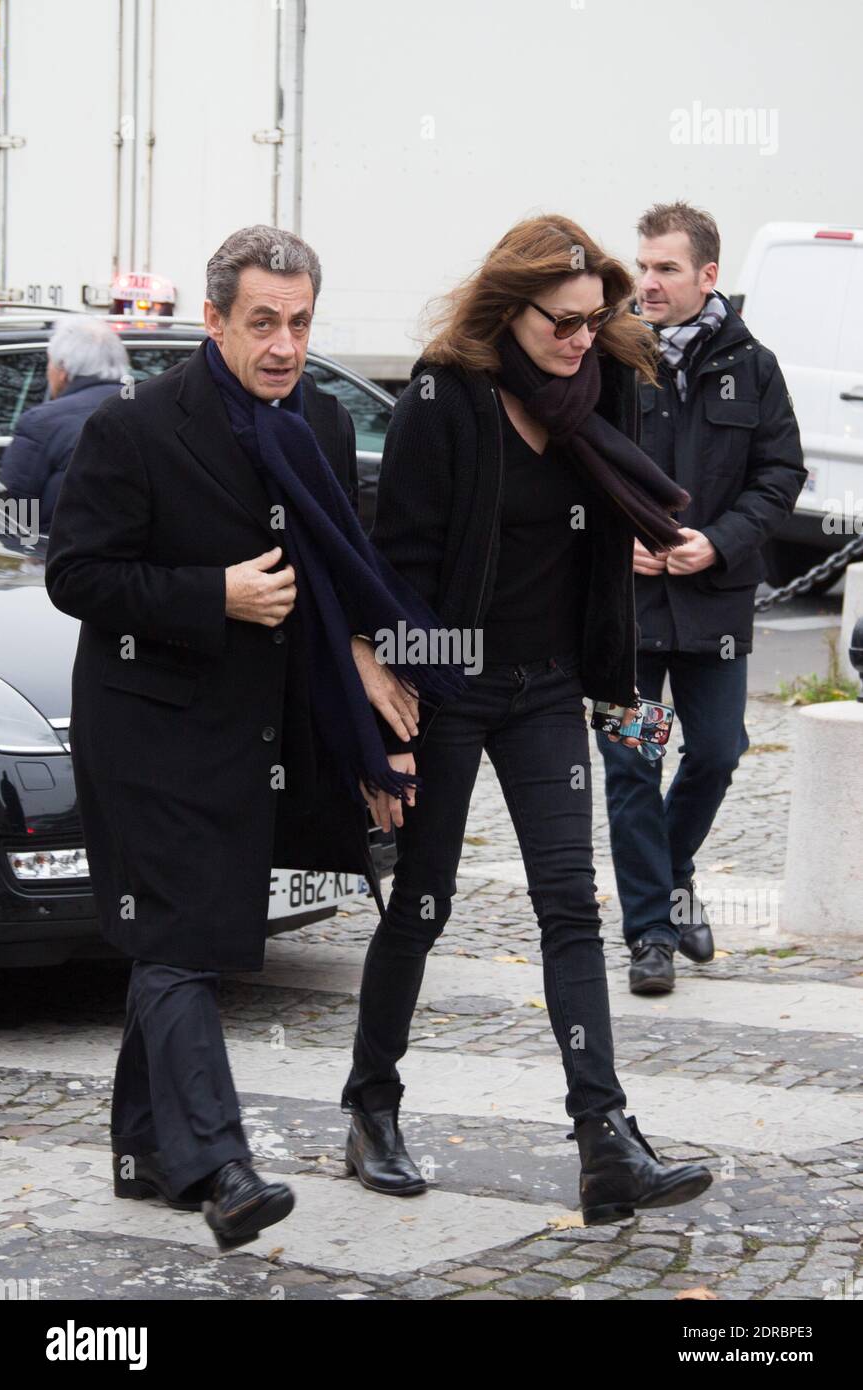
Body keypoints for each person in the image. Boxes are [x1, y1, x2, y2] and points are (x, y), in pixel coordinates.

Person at [44, 225, 462, 1252]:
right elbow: (76, 575)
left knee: (176, 936)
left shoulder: (314, 417)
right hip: (142, 725)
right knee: (181, 940)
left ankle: (144, 1146)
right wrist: (212, 594)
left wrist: (366, 674)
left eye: (301, 322)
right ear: (215, 318)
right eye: (263, 322)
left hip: (246, 732)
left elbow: (330, 568)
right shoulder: (132, 430)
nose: (284, 343)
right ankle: (219, 1166)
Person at [341, 215, 715, 1226]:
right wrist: (401, 717)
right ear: (510, 308)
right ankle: (371, 1102)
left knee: (571, 906)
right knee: (422, 903)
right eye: (563, 323)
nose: (581, 340)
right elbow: (401, 566)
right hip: (453, 679)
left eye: (596, 321)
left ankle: (605, 1139)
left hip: (548, 686)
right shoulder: (444, 396)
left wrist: (622, 675)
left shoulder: (607, 392)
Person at [597, 202, 806, 996]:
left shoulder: (751, 364)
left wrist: (716, 541)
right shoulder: (608, 359)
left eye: (664, 269)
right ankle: (649, 931)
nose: (645, 282)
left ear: (706, 276)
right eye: (642, 266)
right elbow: (570, 472)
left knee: (717, 752)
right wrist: (613, 543)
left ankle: (674, 868)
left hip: (713, 608)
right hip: (624, 614)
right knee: (631, 761)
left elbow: (779, 476)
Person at [1, 315, 129, 528]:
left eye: (49, 363)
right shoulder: (151, 409)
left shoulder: (42, 422)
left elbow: (14, 517)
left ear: (62, 370)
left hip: (60, 554)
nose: (47, 371)